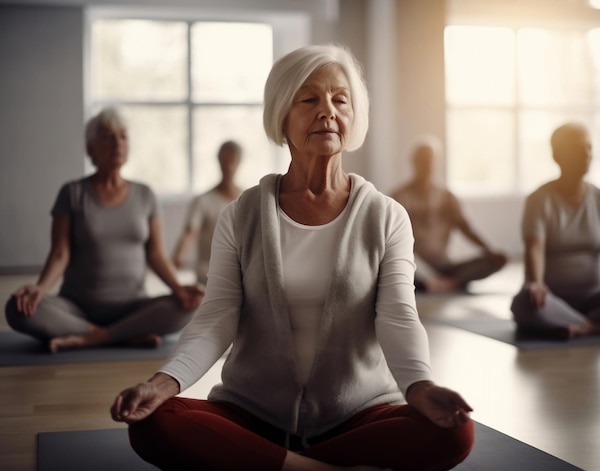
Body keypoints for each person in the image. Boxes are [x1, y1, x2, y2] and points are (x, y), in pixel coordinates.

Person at [110, 44, 474, 471]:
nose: (327, 111)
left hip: (356, 416)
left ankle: (270, 465)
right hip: (252, 415)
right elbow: (216, 316)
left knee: (454, 430)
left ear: (354, 116)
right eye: (309, 99)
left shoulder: (386, 215)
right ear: (282, 117)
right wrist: (163, 382)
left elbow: (398, 315)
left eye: (340, 99)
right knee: (156, 420)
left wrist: (419, 387)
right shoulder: (242, 214)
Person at [4, 107, 204, 353]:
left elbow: (157, 255)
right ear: (90, 148)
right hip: (77, 308)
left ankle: (93, 336)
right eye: (107, 137)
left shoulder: (145, 195)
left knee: (193, 303)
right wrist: (39, 289)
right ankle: (118, 336)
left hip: (134, 307)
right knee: (16, 308)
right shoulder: (72, 193)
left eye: (123, 136)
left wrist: (179, 289)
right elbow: (60, 253)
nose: (117, 143)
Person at [511, 122, 600, 340]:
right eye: (577, 149)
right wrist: (536, 283)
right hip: (552, 300)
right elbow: (534, 247)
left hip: (596, 300)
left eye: (589, 148)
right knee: (524, 302)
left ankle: (587, 326)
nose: (586, 154)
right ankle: (596, 325)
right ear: (557, 155)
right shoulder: (539, 200)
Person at [392, 138, 507, 293]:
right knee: (397, 260)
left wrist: (490, 250)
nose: (428, 165)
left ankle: (444, 282)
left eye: (431, 160)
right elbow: (390, 238)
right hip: (415, 263)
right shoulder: (400, 197)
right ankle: (433, 281)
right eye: (424, 160)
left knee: (498, 260)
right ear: (414, 162)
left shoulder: (447, 197)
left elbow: (467, 228)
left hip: (446, 264)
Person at [172, 141, 243, 285]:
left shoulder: (247, 199)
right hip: (208, 278)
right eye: (225, 160)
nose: (228, 166)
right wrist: (176, 259)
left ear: (239, 162)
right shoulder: (203, 201)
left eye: (232, 161)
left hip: (240, 278)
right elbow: (190, 232)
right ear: (218, 160)